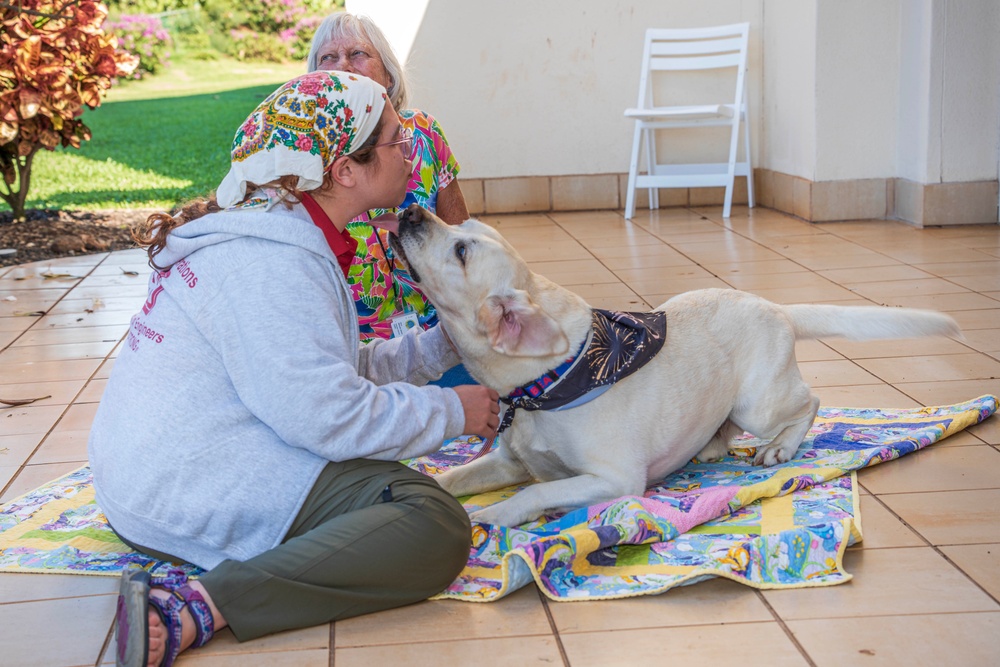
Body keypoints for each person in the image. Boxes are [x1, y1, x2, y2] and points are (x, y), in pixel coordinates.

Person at [89, 71, 500, 667]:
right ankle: (194, 608)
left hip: (161, 468)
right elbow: (328, 415)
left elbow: (326, 372)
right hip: (180, 488)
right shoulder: (271, 262)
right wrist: (452, 411)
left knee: (390, 475)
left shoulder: (283, 232)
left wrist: (444, 345)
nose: (408, 145)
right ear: (345, 171)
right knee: (431, 520)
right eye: (392, 137)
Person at [306, 14, 475, 387]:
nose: (343, 67)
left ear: (388, 75)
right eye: (328, 58)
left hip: (441, 333)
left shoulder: (424, 134)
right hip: (357, 356)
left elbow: (461, 233)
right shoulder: (306, 161)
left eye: (357, 53)